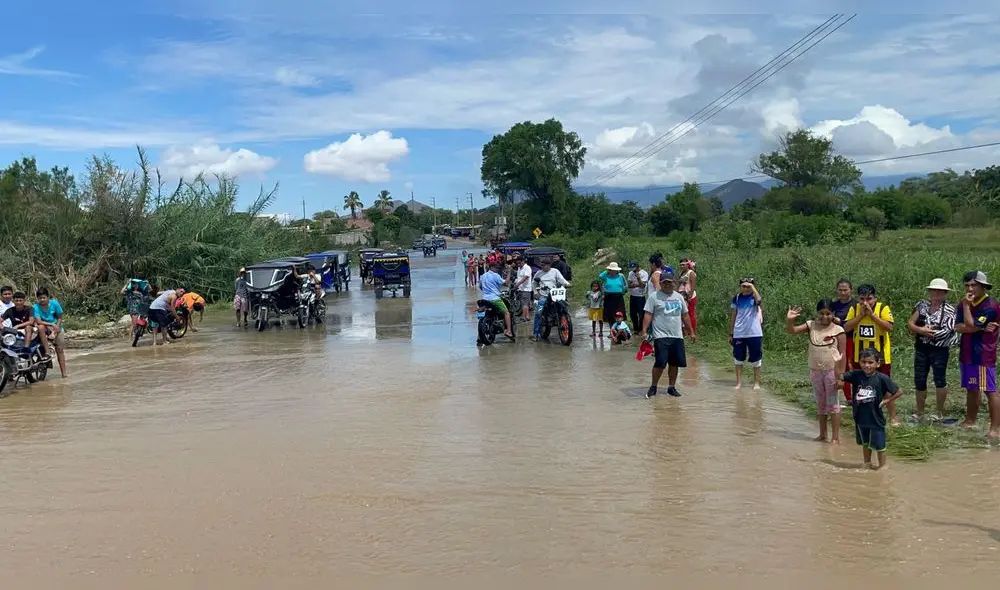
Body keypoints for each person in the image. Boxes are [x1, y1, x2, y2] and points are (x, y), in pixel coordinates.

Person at [786, 300, 847, 444]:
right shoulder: (811, 325)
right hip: (815, 372)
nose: (825, 317)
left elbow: (843, 355)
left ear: (833, 314)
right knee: (820, 404)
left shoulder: (838, 331)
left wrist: (841, 377)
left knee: (833, 404)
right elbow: (792, 331)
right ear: (817, 313)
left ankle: (835, 438)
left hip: (832, 372)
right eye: (822, 313)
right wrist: (789, 321)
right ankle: (822, 435)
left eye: (828, 314)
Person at [839, 349, 904, 470]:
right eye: (864, 362)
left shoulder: (882, 378)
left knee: (880, 445)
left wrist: (887, 401)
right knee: (865, 443)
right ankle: (867, 463)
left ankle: (882, 466)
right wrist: (837, 363)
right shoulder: (855, 375)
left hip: (876, 418)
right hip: (860, 417)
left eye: (870, 362)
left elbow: (899, 391)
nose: (867, 365)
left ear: (878, 364)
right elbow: (839, 376)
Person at [955, 271, 1000, 438]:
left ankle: (995, 429)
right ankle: (970, 421)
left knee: (990, 390)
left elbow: (969, 324)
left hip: (983, 354)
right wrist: (977, 327)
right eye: (967, 285)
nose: (970, 288)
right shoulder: (962, 304)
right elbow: (958, 326)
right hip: (966, 353)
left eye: (974, 285)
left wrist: (968, 309)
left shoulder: (990, 306)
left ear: (983, 286)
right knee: (972, 388)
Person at [844, 284, 897, 425]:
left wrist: (872, 315)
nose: (865, 302)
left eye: (869, 299)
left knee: (886, 387)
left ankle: (893, 417)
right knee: (859, 387)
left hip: (880, 357)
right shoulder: (854, 309)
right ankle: (859, 415)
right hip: (859, 356)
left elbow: (889, 327)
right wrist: (861, 315)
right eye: (862, 299)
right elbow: (846, 327)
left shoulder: (883, 308)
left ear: (875, 298)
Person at [906, 278, 957, 421]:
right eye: (934, 290)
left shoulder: (949, 310)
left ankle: (939, 411)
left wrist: (929, 333)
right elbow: (910, 323)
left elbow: (949, 331)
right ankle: (920, 412)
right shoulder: (922, 305)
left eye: (940, 291)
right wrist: (921, 330)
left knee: (940, 379)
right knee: (919, 379)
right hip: (921, 347)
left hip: (939, 349)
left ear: (945, 293)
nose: (936, 293)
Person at [639, 271, 696, 398]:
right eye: (664, 282)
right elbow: (648, 314)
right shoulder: (654, 297)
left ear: (673, 283)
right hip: (661, 336)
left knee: (674, 363)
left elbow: (685, 315)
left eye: (669, 282)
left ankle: (671, 387)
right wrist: (644, 330)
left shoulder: (679, 297)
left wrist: (691, 331)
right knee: (660, 363)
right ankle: (653, 387)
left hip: (677, 335)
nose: (667, 285)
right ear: (660, 283)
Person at [729, 277, 763, 390]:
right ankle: (738, 383)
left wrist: (752, 287)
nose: (746, 288)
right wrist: (731, 333)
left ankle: (756, 383)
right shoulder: (737, 298)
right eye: (743, 286)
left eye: (748, 286)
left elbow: (759, 301)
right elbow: (733, 315)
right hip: (739, 333)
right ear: (740, 287)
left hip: (754, 333)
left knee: (756, 359)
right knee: (738, 359)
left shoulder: (754, 297)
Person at [531, 259, 571, 342]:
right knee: (538, 312)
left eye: (543, 265)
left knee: (564, 306)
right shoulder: (538, 273)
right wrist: (535, 292)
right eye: (541, 265)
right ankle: (536, 333)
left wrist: (567, 284)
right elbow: (534, 283)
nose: (542, 267)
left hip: (555, 293)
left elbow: (562, 280)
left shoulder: (555, 271)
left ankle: (562, 319)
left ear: (548, 265)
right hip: (544, 295)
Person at [830, 279, 856, 402]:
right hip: (836, 338)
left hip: (852, 338)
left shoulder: (856, 304)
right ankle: (848, 397)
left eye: (845, 290)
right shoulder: (833, 305)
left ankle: (855, 394)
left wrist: (840, 322)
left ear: (851, 290)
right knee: (840, 366)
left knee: (852, 366)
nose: (843, 292)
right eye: (840, 290)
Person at [33, 287, 65, 377]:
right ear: (37, 299)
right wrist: (51, 324)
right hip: (45, 327)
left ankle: (64, 374)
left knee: (60, 350)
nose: (42, 300)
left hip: (57, 326)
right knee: (40, 326)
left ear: (48, 297)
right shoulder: (35, 307)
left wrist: (54, 331)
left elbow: (60, 317)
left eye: (44, 298)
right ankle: (47, 352)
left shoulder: (54, 303)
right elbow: (39, 321)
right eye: (40, 298)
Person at [479, 262, 513, 340]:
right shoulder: (496, 276)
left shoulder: (483, 276)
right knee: (507, 313)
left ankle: (479, 337)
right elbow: (506, 283)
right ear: (491, 267)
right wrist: (509, 274)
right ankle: (508, 331)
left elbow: (481, 287)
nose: (497, 269)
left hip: (485, 298)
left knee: (486, 315)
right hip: (495, 298)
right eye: (496, 268)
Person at [598, 262, 628, 331]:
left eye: (614, 270)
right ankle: (612, 330)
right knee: (610, 315)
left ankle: (619, 329)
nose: (613, 271)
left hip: (618, 297)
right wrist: (607, 271)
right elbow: (600, 276)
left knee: (619, 314)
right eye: (611, 270)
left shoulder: (621, 276)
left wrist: (623, 292)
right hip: (609, 297)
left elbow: (625, 285)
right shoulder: (606, 276)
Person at [678, 258, 698, 332]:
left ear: (687, 265)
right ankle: (685, 330)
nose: (682, 267)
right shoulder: (681, 273)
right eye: (680, 265)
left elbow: (693, 286)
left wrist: (689, 296)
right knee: (683, 314)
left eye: (683, 265)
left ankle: (692, 330)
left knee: (690, 314)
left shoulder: (691, 273)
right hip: (682, 295)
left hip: (689, 296)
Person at [626, 262, 648, 331]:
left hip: (641, 296)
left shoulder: (644, 273)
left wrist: (638, 278)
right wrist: (637, 284)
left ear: (638, 266)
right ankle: (635, 328)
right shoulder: (630, 273)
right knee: (633, 313)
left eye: (634, 268)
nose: (633, 270)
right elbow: (629, 285)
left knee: (641, 313)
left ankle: (641, 328)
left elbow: (642, 286)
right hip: (633, 295)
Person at [513, 256, 533, 322]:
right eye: (517, 263)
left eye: (519, 263)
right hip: (520, 289)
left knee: (524, 304)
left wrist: (518, 284)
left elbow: (525, 277)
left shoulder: (527, 268)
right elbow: (519, 277)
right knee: (524, 303)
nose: (518, 265)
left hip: (526, 289)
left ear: (523, 261)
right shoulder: (519, 268)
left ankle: (523, 317)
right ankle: (527, 317)